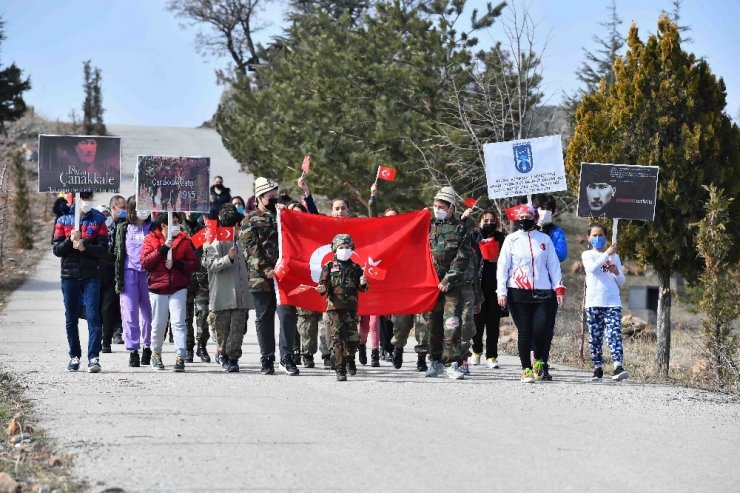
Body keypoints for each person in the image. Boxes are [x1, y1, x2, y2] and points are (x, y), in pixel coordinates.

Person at [497, 204, 565, 383]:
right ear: (517, 220)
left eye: (528, 217)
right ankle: (526, 369)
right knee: (525, 330)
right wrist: (501, 291)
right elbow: (503, 266)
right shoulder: (511, 239)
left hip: (543, 291)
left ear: (535, 219)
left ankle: (540, 362)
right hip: (517, 291)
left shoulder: (544, 239)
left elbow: (553, 265)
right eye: (521, 218)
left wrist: (559, 287)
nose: (525, 220)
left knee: (542, 328)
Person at [240, 177, 300, 376]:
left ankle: (287, 357)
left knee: (288, 316)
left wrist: (287, 214)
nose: (274, 199)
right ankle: (267, 358)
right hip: (261, 276)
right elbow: (251, 250)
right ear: (260, 197)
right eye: (270, 196)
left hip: (285, 275)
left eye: (276, 196)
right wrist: (268, 270)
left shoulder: (284, 216)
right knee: (264, 318)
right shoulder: (250, 219)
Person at [52, 191, 108, 372]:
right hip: (69, 276)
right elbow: (57, 250)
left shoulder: (99, 220)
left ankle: (94, 357)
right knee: (71, 318)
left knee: (93, 316)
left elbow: (103, 249)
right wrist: (70, 240)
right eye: (83, 197)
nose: (87, 201)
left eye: (89, 197)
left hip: (91, 276)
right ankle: (74, 356)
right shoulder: (63, 220)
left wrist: (85, 246)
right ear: (74, 198)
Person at [424, 186, 472, 380]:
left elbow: (462, 257)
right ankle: (435, 362)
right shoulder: (428, 227)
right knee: (433, 326)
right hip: (431, 287)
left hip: (452, 287)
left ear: (452, 207)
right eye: (435, 206)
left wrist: (448, 278)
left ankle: (452, 363)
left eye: (441, 206)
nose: (437, 209)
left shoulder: (461, 229)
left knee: (452, 325)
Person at [141, 213, 198, 371]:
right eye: (172, 223)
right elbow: (145, 263)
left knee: (179, 323)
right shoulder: (150, 239)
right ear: (163, 226)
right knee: (159, 324)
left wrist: (177, 264)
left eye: (177, 222)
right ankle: (156, 354)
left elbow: (193, 264)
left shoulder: (184, 240)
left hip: (178, 288)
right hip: (158, 288)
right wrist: (163, 248)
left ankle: (181, 356)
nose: (176, 225)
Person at [206, 204, 254, 372]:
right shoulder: (215, 242)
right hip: (222, 294)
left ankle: (233, 358)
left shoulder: (244, 241)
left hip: (240, 294)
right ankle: (222, 353)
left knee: (238, 329)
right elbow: (210, 265)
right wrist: (228, 258)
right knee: (222, 330)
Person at [317, 234, 369, 381]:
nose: (344, 250)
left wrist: (364, 282)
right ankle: (340, 369)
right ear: (335, 249)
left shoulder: (355, 267)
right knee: (338, 339)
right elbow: (324, 284)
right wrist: (322, 288)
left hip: (351, 308)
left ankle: (351, 360)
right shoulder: (328, 266)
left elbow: (362, 288)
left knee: (352, 339)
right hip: (334, 308)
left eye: (347, 247)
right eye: (341, 247)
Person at [582, 223, 629, 382]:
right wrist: (606, 254)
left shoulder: (615, 256)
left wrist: (616, 271)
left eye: (600, 235)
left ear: (606, 237)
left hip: (612, 302)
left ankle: (617, 366)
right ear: (588, 238)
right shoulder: (587, 254)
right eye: (594, 235)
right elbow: (592, 269)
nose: (597, 238)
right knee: (595, 337)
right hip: (594, 302)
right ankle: (598, 367)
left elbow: (621, 282)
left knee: (614, 334)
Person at [114, 197, 153, 367]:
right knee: (130, 313)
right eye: (140, 207)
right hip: (129, 273)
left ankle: (148, 347)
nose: (143, 210)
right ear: (132, 209)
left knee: (148, 313)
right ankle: (133, 350)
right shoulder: (124, 228)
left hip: (149, 274)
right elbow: (116, 251)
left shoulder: (154, 227)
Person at [534, 194, 568, 379]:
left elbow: (562, 254)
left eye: (548, 209)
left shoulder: (556, 232)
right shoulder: (527, 231)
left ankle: (543, 364)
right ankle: (530, 358)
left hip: (550, 286)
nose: (543, 212)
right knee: (530, 327)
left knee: (546, 327)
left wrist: (542, 247)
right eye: (540, 208)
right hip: (528, 285)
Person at [471, 210, 506, 369]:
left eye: (492, 220)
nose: (489, 223)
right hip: (477, 285)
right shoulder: (473, 236)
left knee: (493, 323)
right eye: (485, 220)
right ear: (480, 221)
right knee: (477, 323)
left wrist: (498, 258)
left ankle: (492, 356)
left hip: (495, 285)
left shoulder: (501, 238)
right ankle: (476, 351)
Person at [99, 195, 126, 353]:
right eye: (122, 207)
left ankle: (112, 335)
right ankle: (104, 337)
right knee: (105, 306)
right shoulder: (105, 224)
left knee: (115, 304)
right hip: (106, 269)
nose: (125, 211)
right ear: (114, 207)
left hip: (121, 270)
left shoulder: (125, 225)